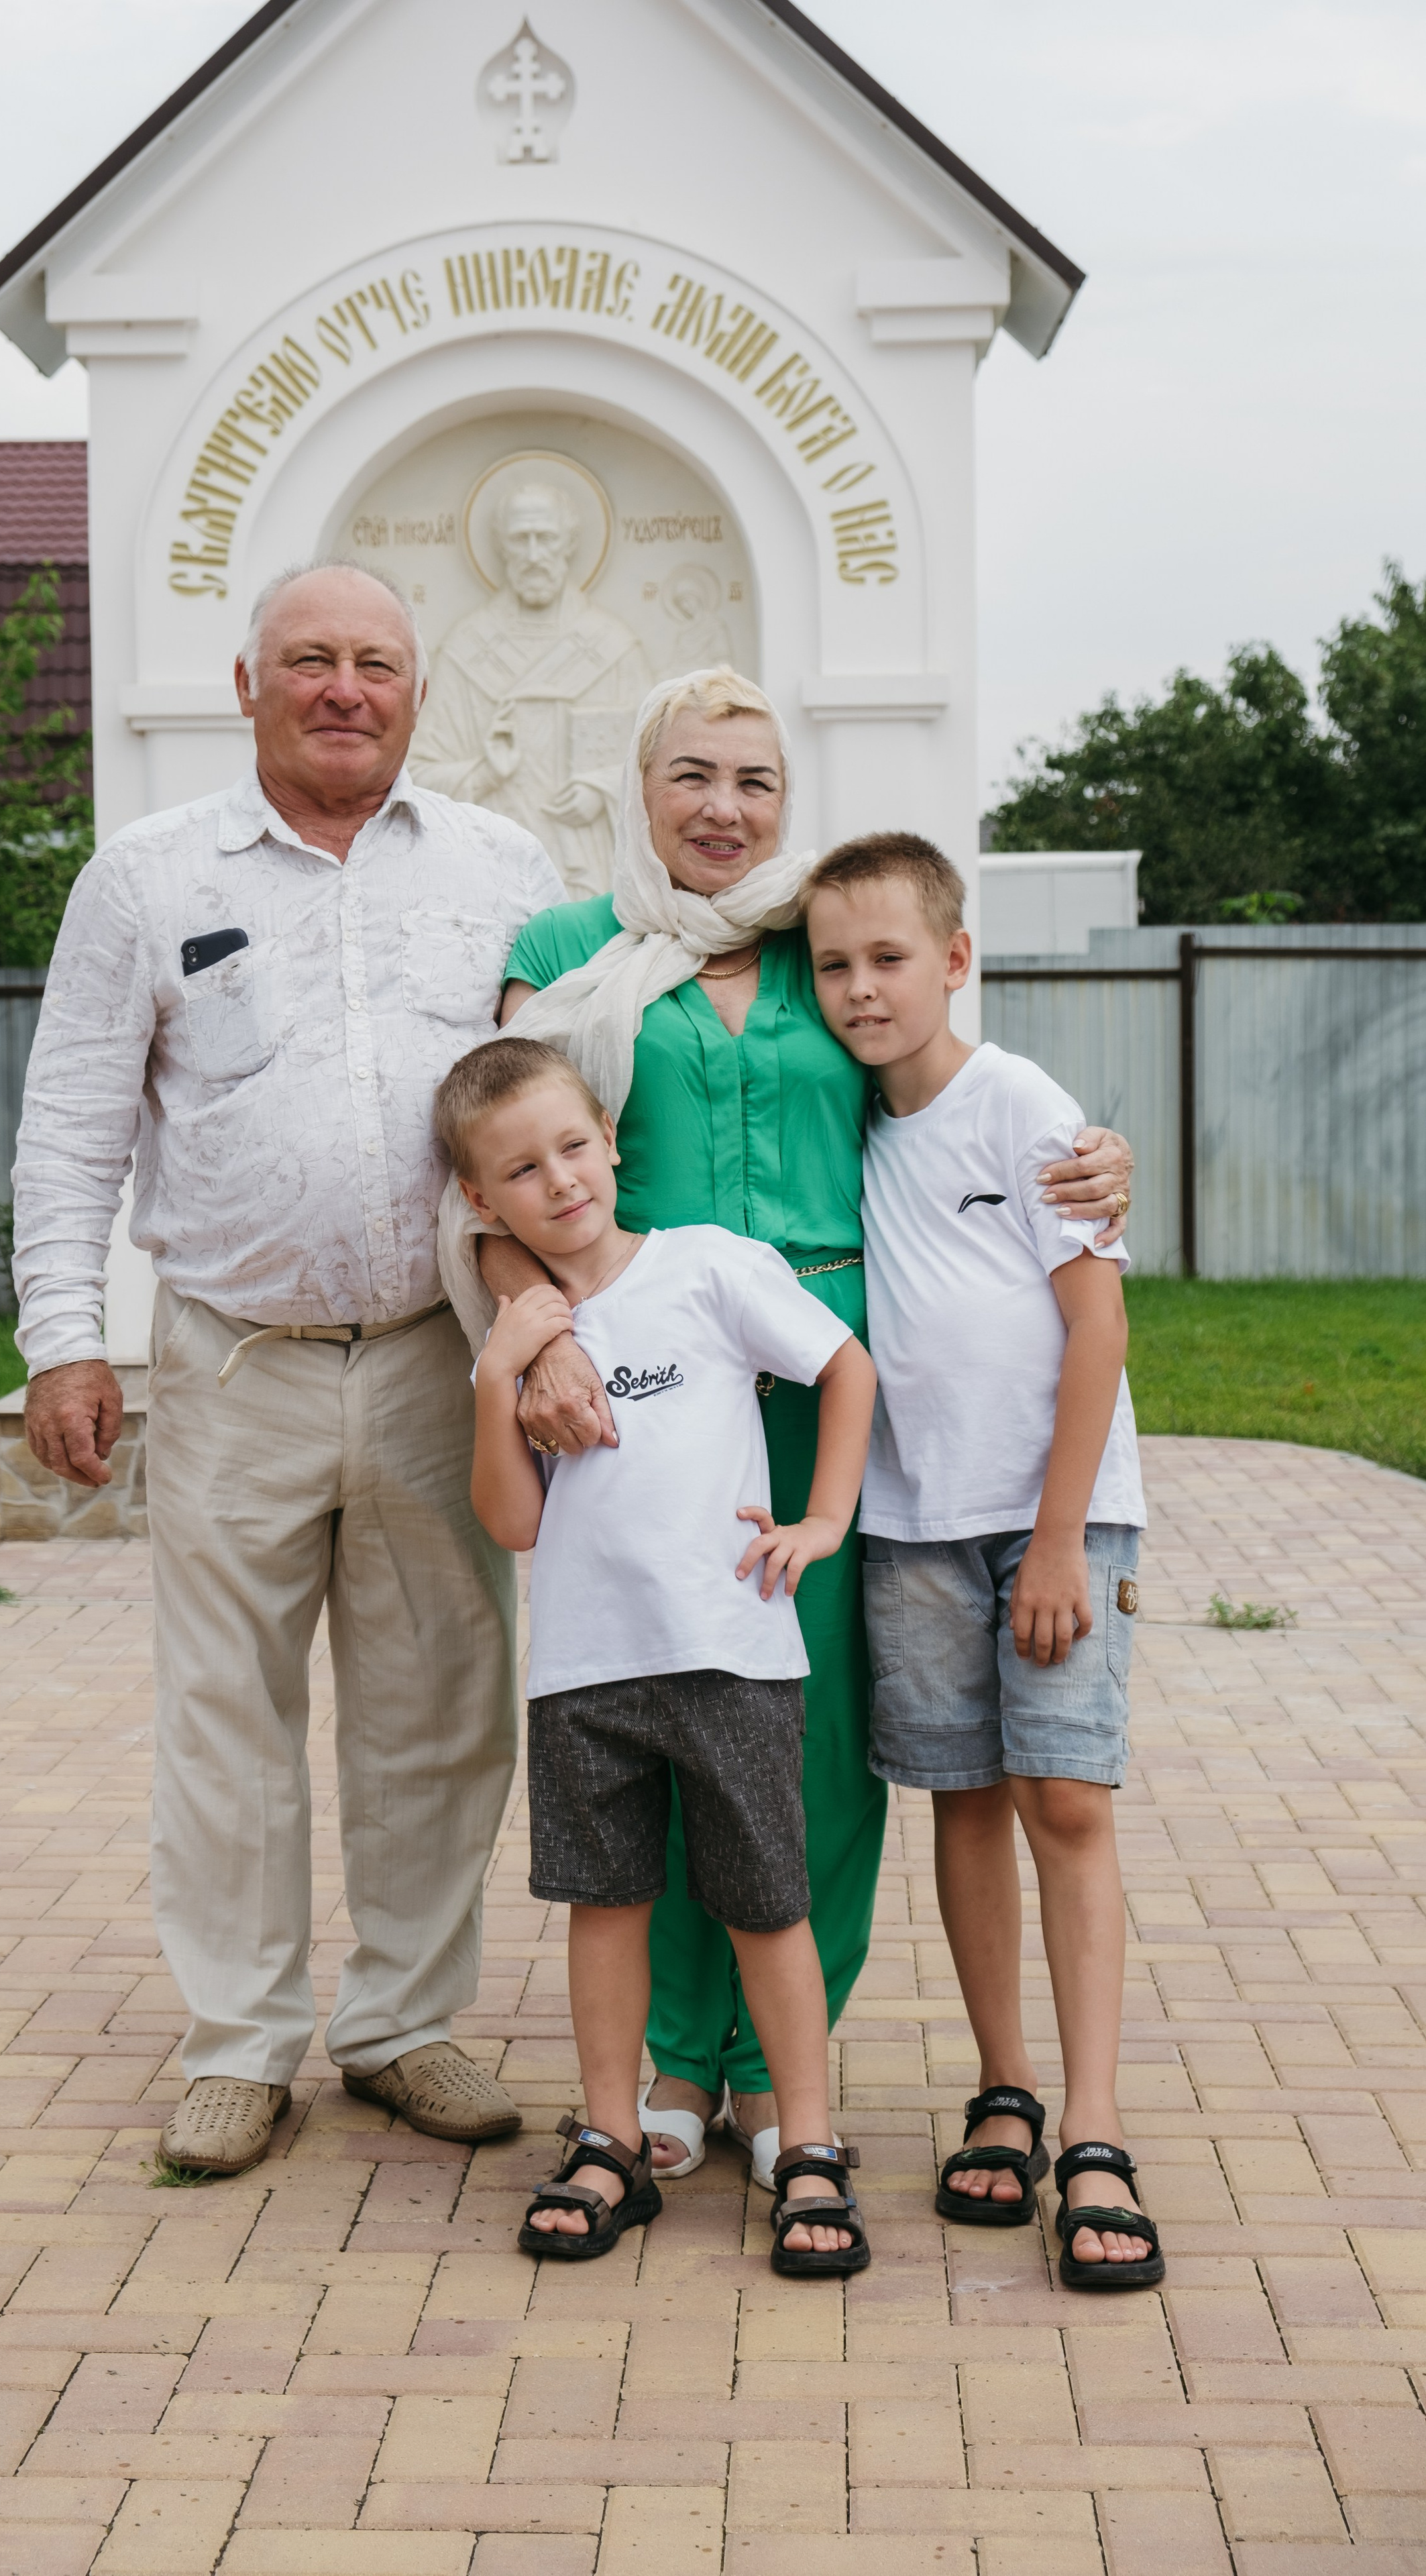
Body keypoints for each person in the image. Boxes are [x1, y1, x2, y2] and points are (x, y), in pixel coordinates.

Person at [437, 665, 1136, 2190]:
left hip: (834, 1377)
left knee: (806, 1733)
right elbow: (493, 1172)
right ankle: (676, 2057)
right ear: (640, 786)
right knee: (657, 1695)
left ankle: (776, 2067)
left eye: (753, 780)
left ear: (787, 800)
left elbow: (955, 1095)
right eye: (691, 774)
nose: (722, 806)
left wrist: (1091, 1154)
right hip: (642, 1378)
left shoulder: (826, 938)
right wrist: (530, 1330)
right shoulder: (568, 950)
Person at [13, 561, 563, 2176]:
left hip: (437, 1360)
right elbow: (69, 1123)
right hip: (229, 1360)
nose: (343, 689)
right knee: (222, 1714)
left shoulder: (499, 870)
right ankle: (239, 2044)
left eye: (375, 663)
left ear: (415, 691)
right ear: (246, 685)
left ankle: (401, 2024)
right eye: (308, 659)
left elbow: (561, 1101)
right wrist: (64, 1338)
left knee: (440, 1706)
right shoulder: (146, 876)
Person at [439, 1034, 876, 2276]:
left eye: (574, 1147)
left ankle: (810, 2145)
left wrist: (824, 1520)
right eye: (522, 1170)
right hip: (586, 1671)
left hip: (731, 1652)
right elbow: (514, 1522)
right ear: (481, 1200)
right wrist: (500, 1372)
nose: (561, 1181)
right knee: (606, 1904)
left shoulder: (707, 1267)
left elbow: (845, 1366)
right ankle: (611, 2141)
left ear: (612, 1143)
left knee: (768, 1907)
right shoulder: (523, 1335)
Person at [804, 832, 1163, 2290]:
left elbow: (1097, 1326)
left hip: (1051, 1517)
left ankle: (1095, 2126)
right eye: (834, 964)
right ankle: (1002, 2090)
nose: (859, 988)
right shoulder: (842, 1122)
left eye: (888, 958)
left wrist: (1060, 1536)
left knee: (1062, 1798)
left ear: (955, 960)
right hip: (911, 1522)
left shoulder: (1020, 1104)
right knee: (959, 1799)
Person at [410, 479, 650, 898]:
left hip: (588, 872)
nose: (535, 555)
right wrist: (486, 773)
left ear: (570, 543)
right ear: (501, 547)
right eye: (521, 539)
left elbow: (662, 762)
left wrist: (601, 790)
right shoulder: (466, 650)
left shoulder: (612, 647)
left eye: (547, 538)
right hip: (489, 870)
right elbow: (415, 775)